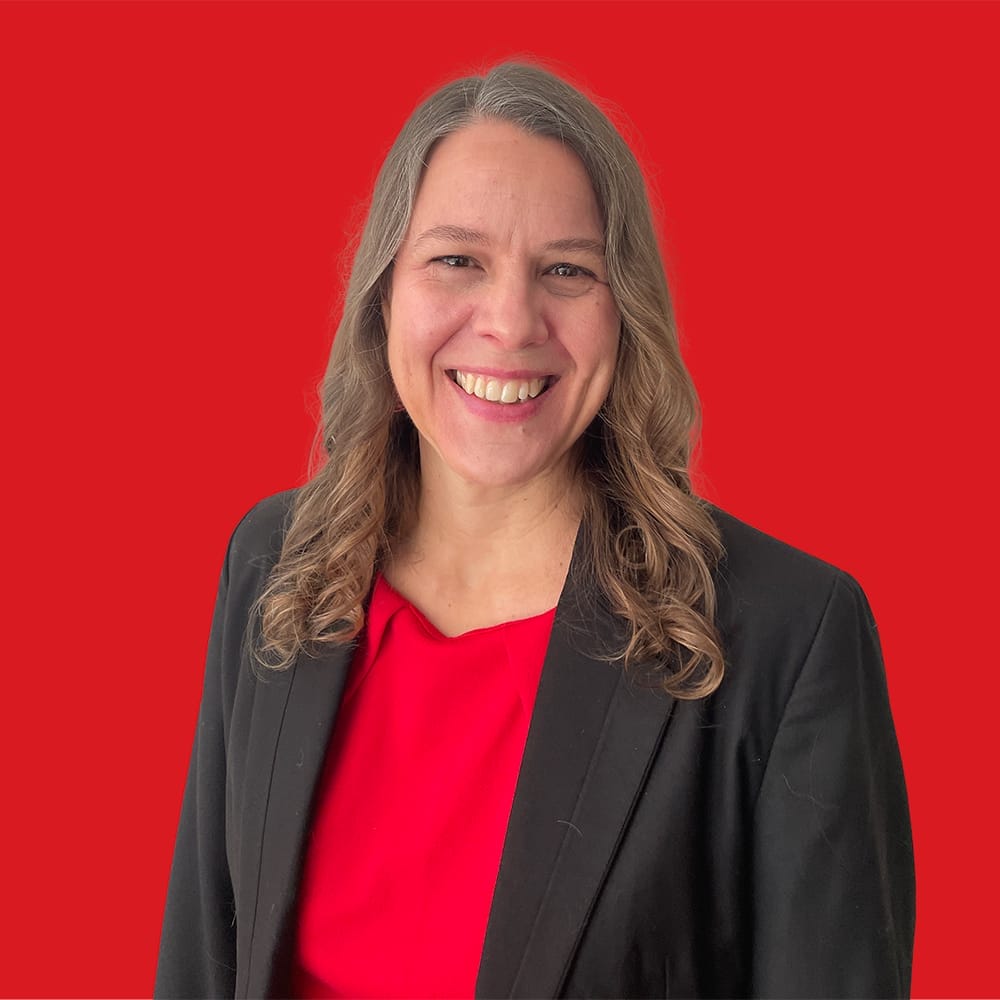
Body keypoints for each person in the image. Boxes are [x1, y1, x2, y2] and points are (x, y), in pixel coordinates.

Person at [155, 62, 914, 998]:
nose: (511, 322)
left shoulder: (786, 636)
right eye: (456, 260)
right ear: (384, 294)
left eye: (567, 269)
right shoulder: (274, 563)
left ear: (623, 311)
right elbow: (202, 961)